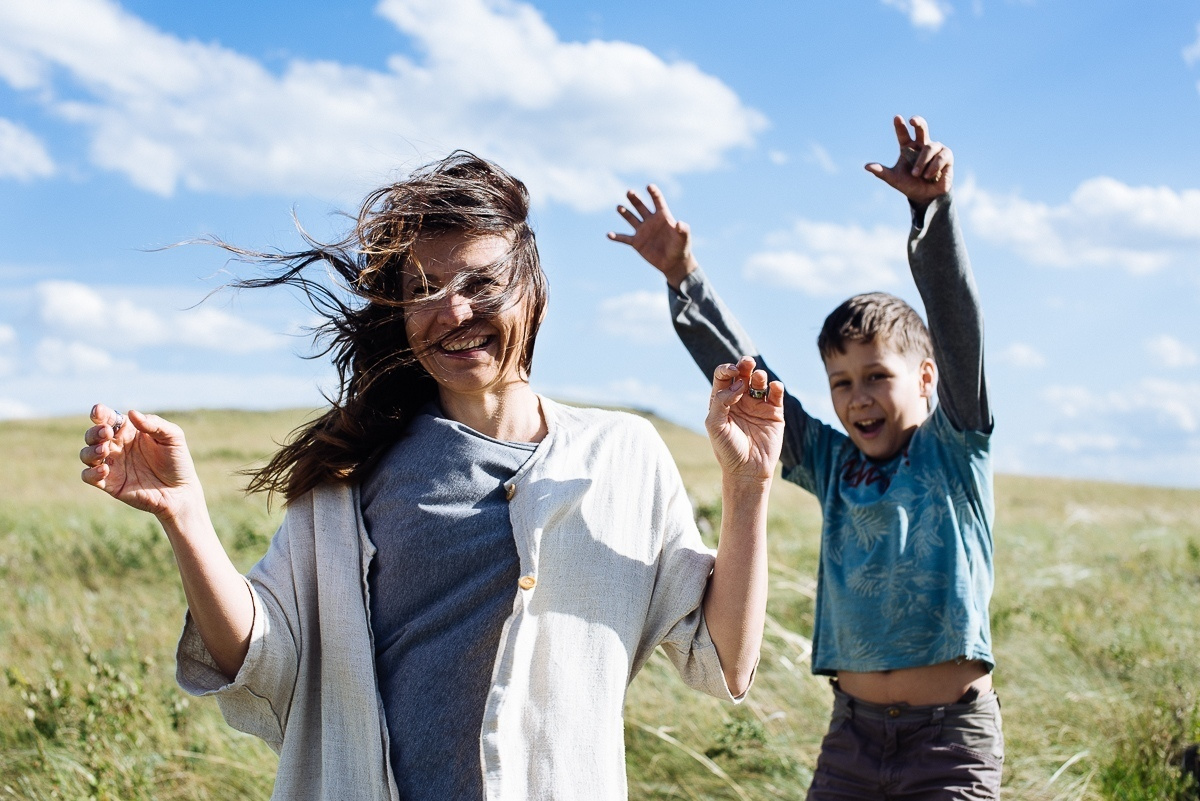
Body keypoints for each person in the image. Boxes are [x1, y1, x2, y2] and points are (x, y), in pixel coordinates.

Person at [78, 152, 785, 801]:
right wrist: (185, 515)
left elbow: (722, 658)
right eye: (424, 288)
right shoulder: (352, 475)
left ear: (532, 290)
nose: (453, 309)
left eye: (482, 281)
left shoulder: (624, 453)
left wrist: (747, 487)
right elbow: (259, 657)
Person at [609, 116, 1001, 799]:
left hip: (950, 743)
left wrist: (930, 208)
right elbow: (753, 382)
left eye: (878, 375)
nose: (858, 399)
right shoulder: (832, 464)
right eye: (842, 383)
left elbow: (957, 318)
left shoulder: (956, 446)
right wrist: (682, 275)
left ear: (929, 378)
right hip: (852, 736)